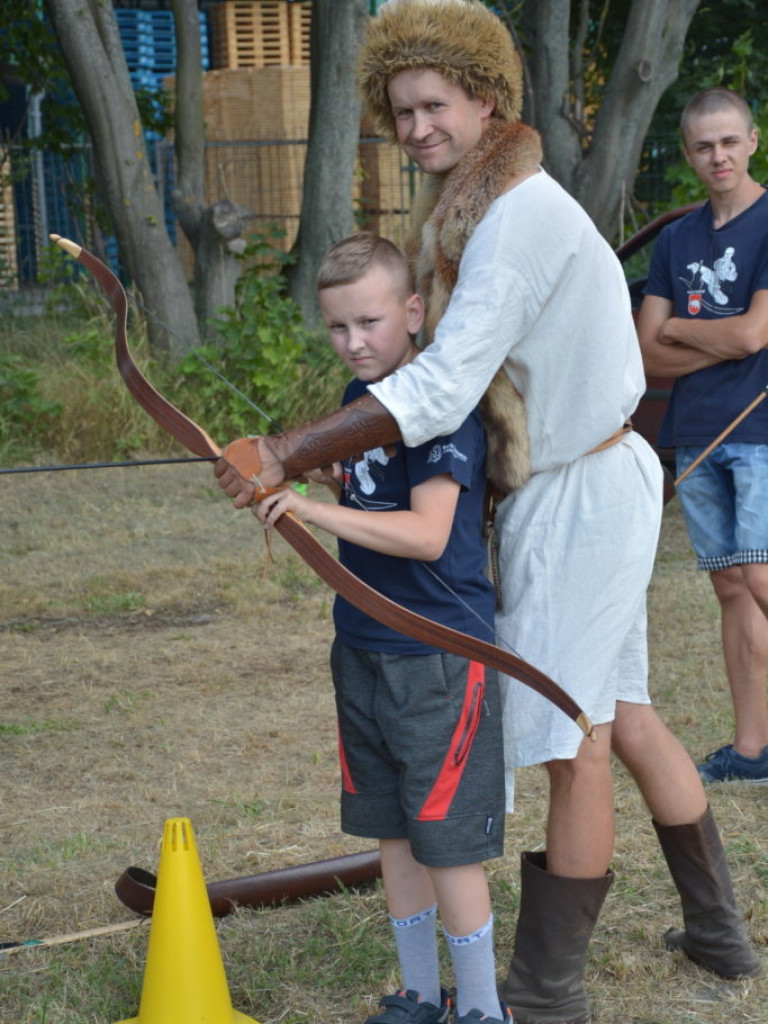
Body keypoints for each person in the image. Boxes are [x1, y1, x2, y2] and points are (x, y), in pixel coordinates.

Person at [217, 4, 762, 1020]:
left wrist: (288, 454)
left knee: (577, 734)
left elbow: (438, 391)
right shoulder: (475, 207)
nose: (417, 127)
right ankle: (722, 931)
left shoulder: (516, 220)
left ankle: (551, 992)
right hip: (575, 483)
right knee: (628, 714)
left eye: (434, 104)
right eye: (401, 110)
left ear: (485, 98)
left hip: (585, 490)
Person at [255, 231, 510, 1024]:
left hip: (436, 655)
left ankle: (480, 1009)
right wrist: (332, 481)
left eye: (368, 323)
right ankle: (419, 995)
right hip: (363, 646)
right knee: (392, 834)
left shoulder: (437, 404)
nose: (354, 342)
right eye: (337, 328)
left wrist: (309, 507)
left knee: (446, 843)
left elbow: (429, 534)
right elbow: (374, 501)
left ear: (412, 310)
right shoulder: (355, 407)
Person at [638, 86, 768, 785]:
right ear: (688, 154)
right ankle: (754, 751)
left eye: (729, 141)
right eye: (703, 145)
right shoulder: (677, 239)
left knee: (761, 576)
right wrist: (720, 339)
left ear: (751, 141)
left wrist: (683, 329)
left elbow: (756, 333)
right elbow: (644, 351)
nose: (717, 155)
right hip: (697, 432)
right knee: (731, 591)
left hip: (761, 429)